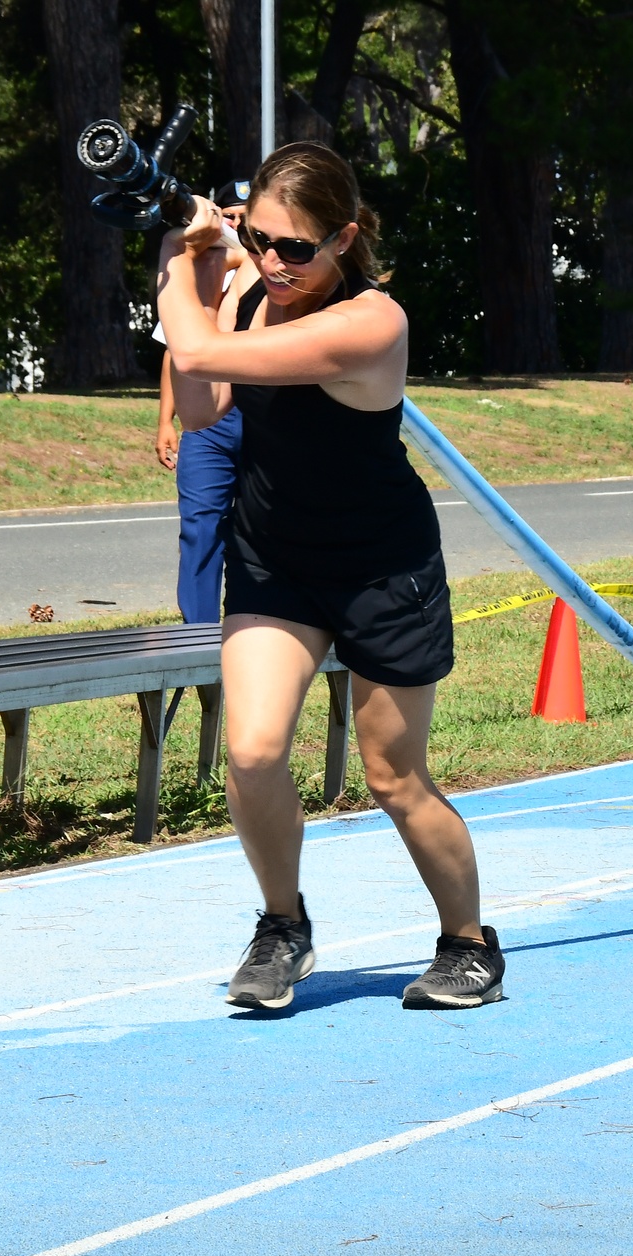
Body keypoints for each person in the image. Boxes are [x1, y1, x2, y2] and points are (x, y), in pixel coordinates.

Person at [157, 142, 504, 1012]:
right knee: (252, 749)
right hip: (276, 559)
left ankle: (468, 942)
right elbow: (200, 404)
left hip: (381, 567)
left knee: (394, 777)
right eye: (260, 239)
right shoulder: (250, 294)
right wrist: (208, 279)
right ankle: (282, 928)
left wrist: (173, 262)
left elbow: (197, 359)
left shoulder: (371, 323)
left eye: (296, 249)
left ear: (344, 238)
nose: (273, 263)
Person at [153, 180, 249, 623]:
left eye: (244, 218)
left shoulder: (270, 274)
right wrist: (166, 421)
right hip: (207, 426)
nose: (232, 225)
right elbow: (177, 349)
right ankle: (197, 633)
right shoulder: (193, 269)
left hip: (258, 415)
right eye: (227, 215)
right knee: (199, 528)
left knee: (258, 532)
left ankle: (253, 625)